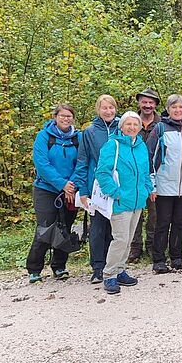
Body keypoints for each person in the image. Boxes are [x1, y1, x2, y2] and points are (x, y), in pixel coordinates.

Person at [94, 111, 153, 294]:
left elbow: (145, 172)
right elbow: (102, 172)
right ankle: (109, 274)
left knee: (128, 239)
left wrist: (147, 189)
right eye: (128, 124)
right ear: (122, 127)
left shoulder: (141, 146)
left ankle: (120, 270)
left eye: (135, 124)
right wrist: (115, 192)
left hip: (137, 201)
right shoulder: (113, 145)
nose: (132, 127)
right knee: (120, 239)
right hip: (120, 201)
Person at [25, 104, 81, 283]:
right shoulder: (44, 136)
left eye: (69, 116)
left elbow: (82, 162)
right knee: (45, 228)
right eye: (62, 116)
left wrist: (70, 186)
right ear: (55, 117)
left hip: (70, 190)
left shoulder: (78, 138)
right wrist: (62, 184)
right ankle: (34, 269)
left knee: (65, 228)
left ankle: (59, 266)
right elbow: (42, 164)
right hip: (46, 189)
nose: (66, 119)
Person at [146, 94, 182, 273]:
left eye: (181, 107)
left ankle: (176, 257)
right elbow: (150, 157)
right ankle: (159, 259)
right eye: (174, 107)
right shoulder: (160, 129)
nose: (178, 110)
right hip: (164, 186)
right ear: (168, 109)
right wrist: (152, 185)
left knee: (179, 222)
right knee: (162, 223)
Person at [73, 94, 120, 284]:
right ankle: (98, 267)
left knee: (116, 229)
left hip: (119, 187)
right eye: (104, 108)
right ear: (98, 110)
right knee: (98, 228)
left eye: (111, 108)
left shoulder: (123, 127)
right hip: (97, 187)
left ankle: (114, 266)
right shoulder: (89, 132)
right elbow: (82, 162)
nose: (108, 111)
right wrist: (83, 190)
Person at [128, 87, 161, 262]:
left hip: (155, 174)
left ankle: (152, 244)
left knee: (155, 212)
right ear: (139, 103)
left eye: (151, 102)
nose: (147, 105)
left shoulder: (162, 124)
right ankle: (134, 247)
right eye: (144, 102)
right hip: (133, 176)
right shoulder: (131, 122)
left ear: (155, 104)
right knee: (135, 212)